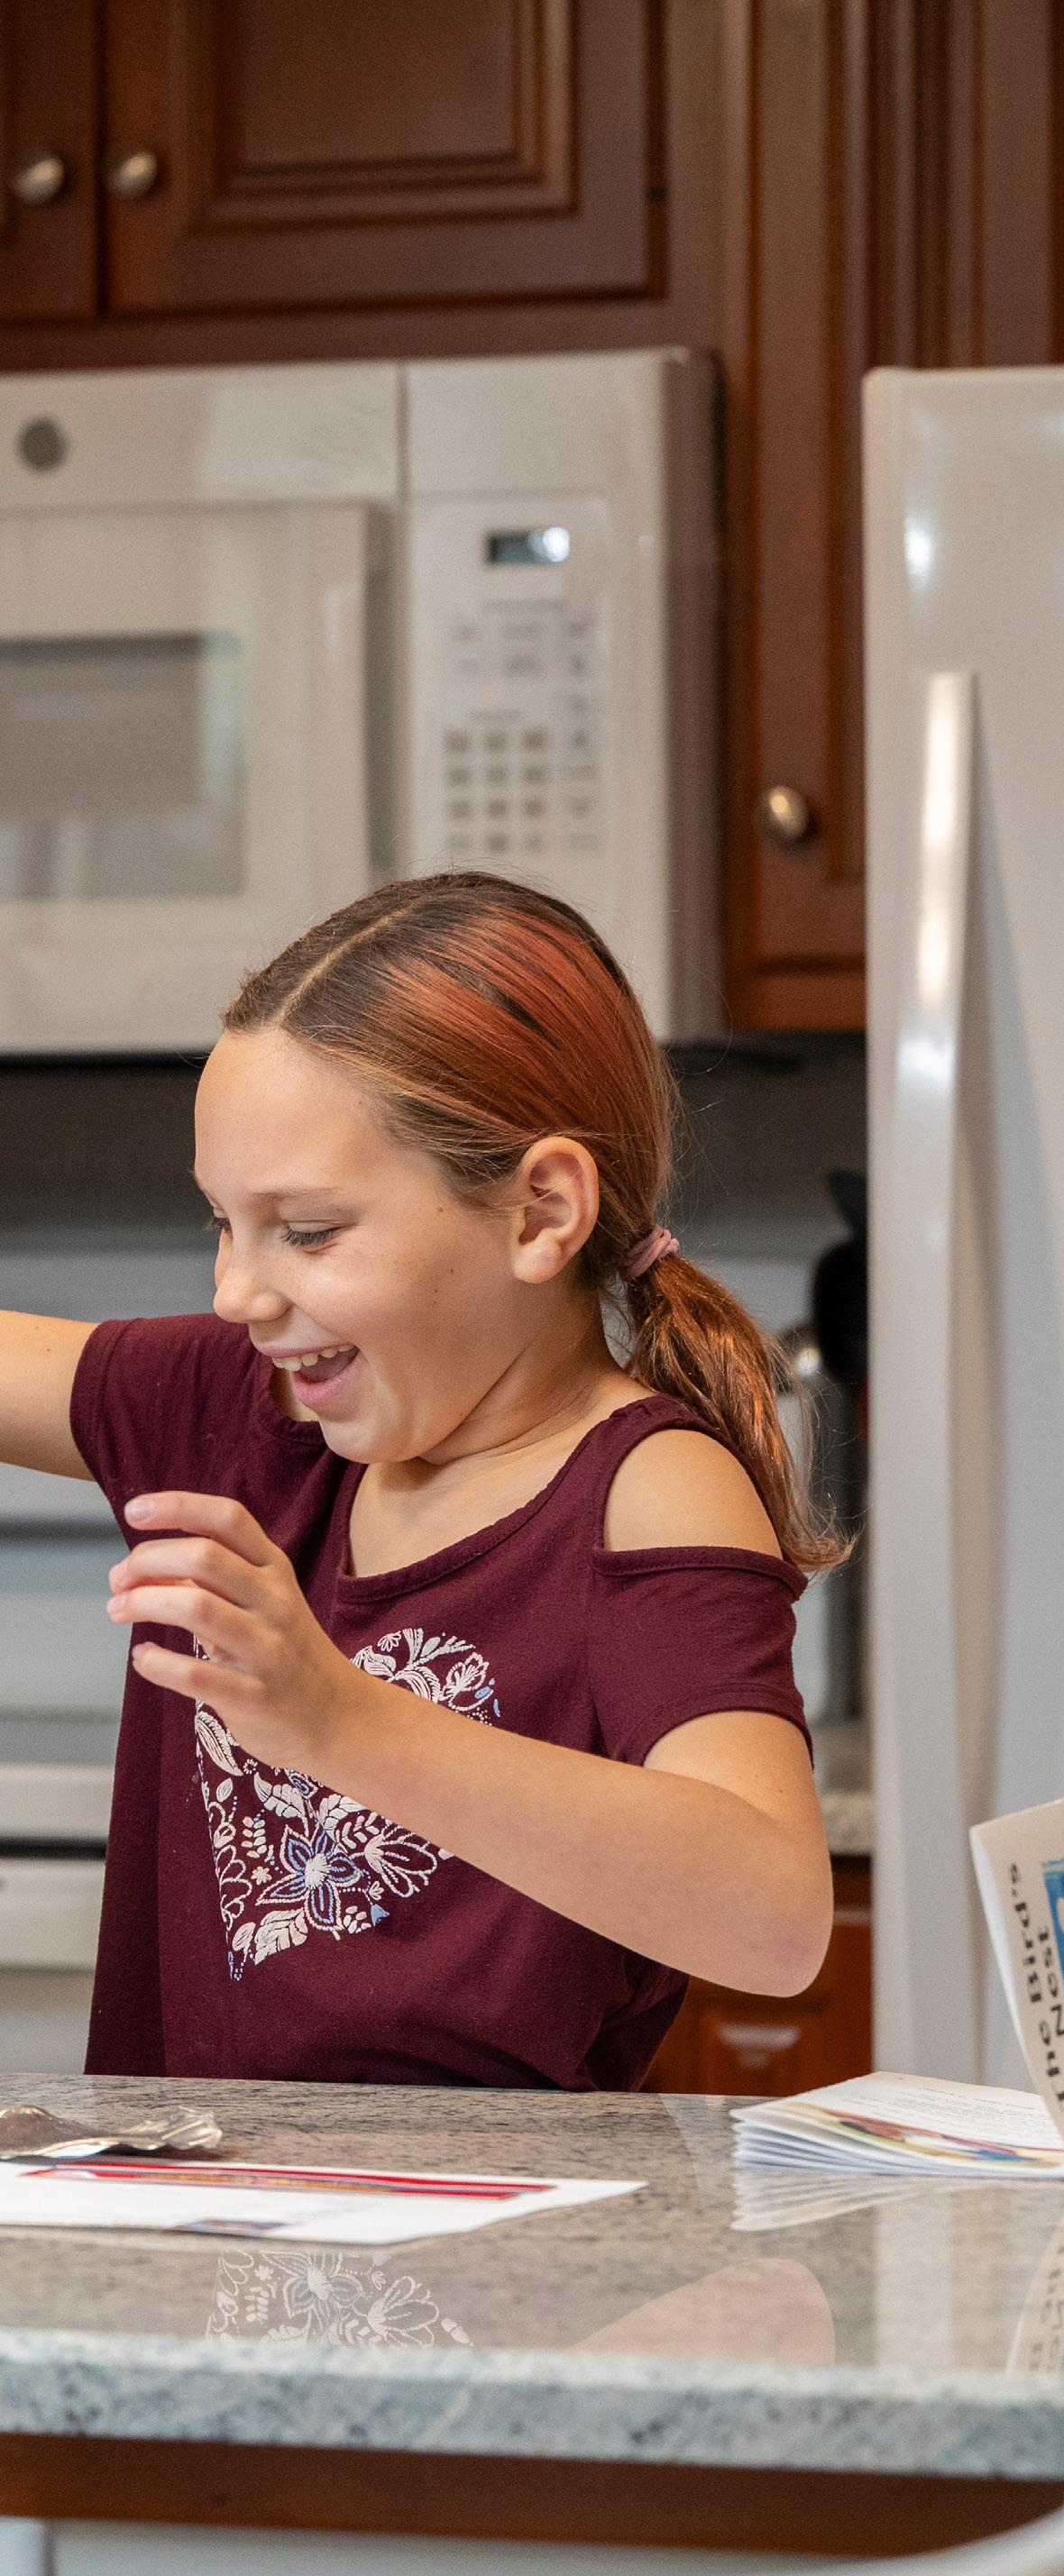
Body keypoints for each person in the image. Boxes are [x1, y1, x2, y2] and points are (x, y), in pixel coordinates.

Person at [1, 872, 837, 2089]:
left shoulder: (645, 1486)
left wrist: (338, 1722)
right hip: (193, 2205)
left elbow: (773, 1920)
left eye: (308, 1231)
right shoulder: (245, 1405)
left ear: (540, 1212)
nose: (238, 1292)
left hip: (508, 2215)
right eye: (222, 1222)